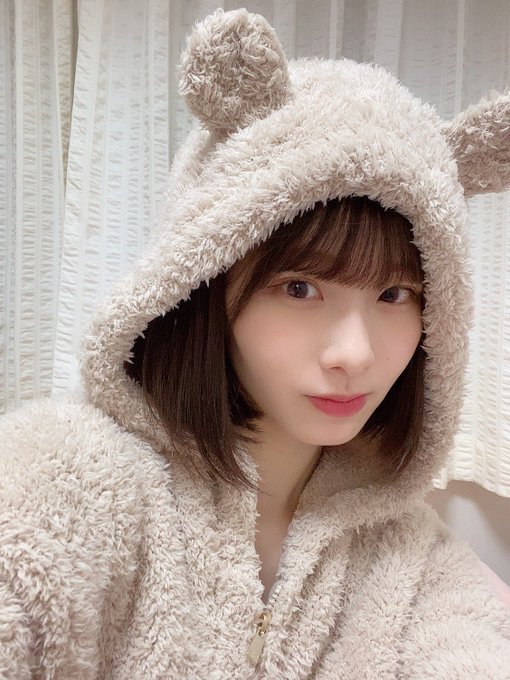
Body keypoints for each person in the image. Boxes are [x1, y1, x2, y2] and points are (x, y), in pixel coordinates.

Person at [1, 7, 509, 679]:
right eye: (301, 288)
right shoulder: (64, 478)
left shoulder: (414, 558)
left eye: (394, 295)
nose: (355, 354)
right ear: (205, 282)